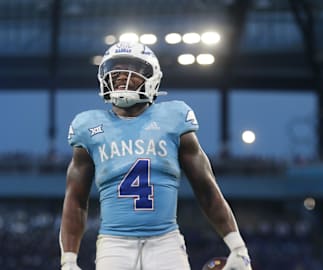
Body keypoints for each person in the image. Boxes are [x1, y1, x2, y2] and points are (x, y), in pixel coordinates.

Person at [59, 40, 252, 270]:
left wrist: (238, 247)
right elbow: (75, 199)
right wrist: (68, 260)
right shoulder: (88, 126)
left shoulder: (174, 118)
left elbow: (206, 189)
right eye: (115, 70)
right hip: (114, 244)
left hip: (165, 242)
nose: (121, 76)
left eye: (131, 69)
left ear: (153, 77)